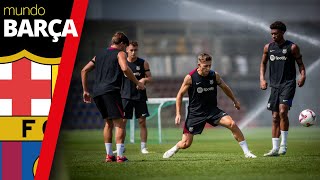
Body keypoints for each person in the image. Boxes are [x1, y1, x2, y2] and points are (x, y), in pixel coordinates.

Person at [163, 53, 256, 159]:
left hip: (212, 110)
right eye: (205, 66)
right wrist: (178, 113)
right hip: (196, 113)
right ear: (199, 65)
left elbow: (225, 87)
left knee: (232, 124)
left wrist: (234, 100)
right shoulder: (190, 77)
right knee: (185, 144)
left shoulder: (214, 75)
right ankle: (175, 148)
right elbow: (179, 95)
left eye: (209, 66)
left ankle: (247, 152)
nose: (208, 68)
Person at [81, 32, 145, 163]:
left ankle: (109, 155)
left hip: (97, 92)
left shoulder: (98, 55)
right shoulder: (120, 53)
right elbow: (125, 68)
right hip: (111, 91)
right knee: (120, 123)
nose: (126, 50)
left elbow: (84, 70)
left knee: (108, 123)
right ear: (122, 44)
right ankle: (120, 156)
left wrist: (85, 90)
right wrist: (137, 82)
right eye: (125, 47)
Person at [260, 21, 306, 156]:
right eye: (272, 34)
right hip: (274, 86)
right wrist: (262, 79)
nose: (273, 36)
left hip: (288, 84)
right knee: (274, 117)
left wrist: (303, 76)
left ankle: (283, 146)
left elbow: (301, 65)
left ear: (282, 33)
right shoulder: (268, 48)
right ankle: (274, 149)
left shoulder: (292, 47)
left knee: (282, 111)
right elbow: (263, 64)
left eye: (276, 33)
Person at [121, 41, 152, 154]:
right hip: (125, 96)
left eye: (136, 50)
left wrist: (144, 79)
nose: (134, 52)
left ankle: (143, 147)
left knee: (142, 122)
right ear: (127, 50)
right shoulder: (122, 63)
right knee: (122, 122)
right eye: (131, 50)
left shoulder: (143, 63)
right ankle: (121, 146)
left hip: (140, 97)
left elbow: (150, 78)